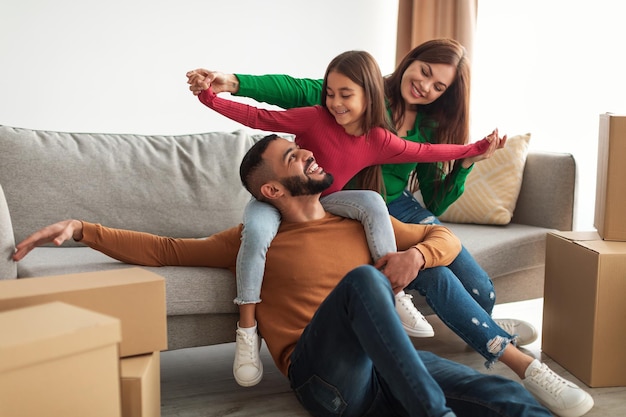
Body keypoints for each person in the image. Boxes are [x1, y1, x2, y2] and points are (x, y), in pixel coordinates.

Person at [13, 134, 560, 417]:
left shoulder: (363, 221)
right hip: (329, 383)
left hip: (400, 362)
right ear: (271, 191)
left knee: (507, 401)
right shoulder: (253, 241)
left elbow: (446, 237)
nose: (307, 155)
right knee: (364, 283)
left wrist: (416, 258)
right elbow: (163, 249)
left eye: (301, 151)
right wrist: (82, 228)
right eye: (293, 159)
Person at [188, 41, 533, 367]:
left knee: (482, 291)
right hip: (340, 203)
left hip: (397, 206)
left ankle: (473, 322)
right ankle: (479, 332)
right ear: (409, 60)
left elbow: (435, 188)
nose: (426, 86)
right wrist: (229, 85)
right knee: (434, 274)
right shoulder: (354, 94)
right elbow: (291, 92)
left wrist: (468, 159)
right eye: (424, 71)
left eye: (439, 86)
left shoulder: (419, 129)